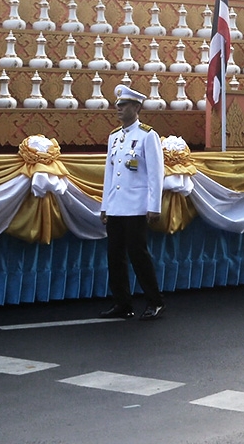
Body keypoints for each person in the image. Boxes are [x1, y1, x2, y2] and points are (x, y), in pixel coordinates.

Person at [99, 84, 166, 321]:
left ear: (136, 107)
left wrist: (154, 206)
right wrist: (105, 206)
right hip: (117, 205)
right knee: (114, 256)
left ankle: (154, 301)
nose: (118, 109)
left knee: (138, 255)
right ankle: (122, 303)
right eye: (117, 105)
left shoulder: (147, 135)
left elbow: (156, 174)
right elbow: (109, 173)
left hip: (137, 206)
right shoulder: (114, 138)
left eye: (124, 105)